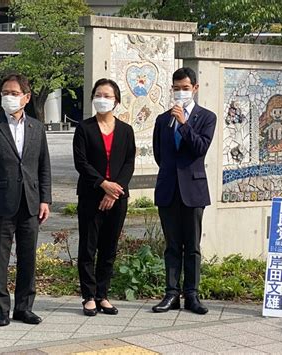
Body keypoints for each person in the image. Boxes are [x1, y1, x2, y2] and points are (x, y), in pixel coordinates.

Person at [0, 74, 51, 326]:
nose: (9, 97)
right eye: (5, 93)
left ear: (26, 98)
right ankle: (0, 309)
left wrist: (45, 199)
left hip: (30, 202)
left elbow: (44, 167)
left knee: (28, 257)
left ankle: (24, 308)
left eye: (14, 93)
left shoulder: (37, 128)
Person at [151, 67, 217, 315]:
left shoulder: (206, 117)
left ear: (195, 88)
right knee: (171, 245)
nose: (180, 93)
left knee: (192, 245)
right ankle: (171, 294)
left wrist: (184, 124)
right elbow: (160, 155)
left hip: (194, 189)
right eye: (176, 89)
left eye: (185, 88)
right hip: (168, 188)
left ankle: (192, 294)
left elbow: (200, 148)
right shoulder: (162, 120)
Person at [73, 78, 136, 316]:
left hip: (118, 197)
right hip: (91, 195)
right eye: (98, 94)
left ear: (116, 100)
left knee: (109, 248)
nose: (103, 99)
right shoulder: (84, 128)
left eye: (108, 96)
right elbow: (81, 162)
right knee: (88, 247)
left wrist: (115, 189)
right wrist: (103, 185)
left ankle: (103, 294)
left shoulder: (126, 130)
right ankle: (88, 296)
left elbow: (129, 163)